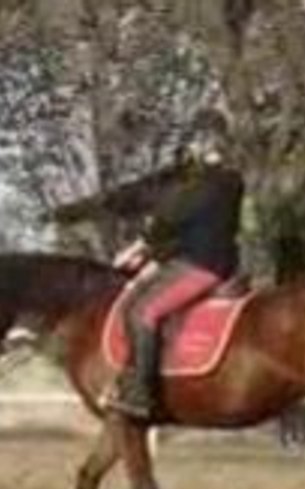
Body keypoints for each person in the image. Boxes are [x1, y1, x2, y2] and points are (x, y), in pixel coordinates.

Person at [105, 110, 245, 420]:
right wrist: (150, 256)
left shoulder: (214, 182)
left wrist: (137, 248)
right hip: (190, 258)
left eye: (196, 141)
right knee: (132, 299)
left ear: (207, 142)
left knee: (144, 312)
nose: (190, 148)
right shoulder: (218, 180)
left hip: (204, 265)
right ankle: (131, 375)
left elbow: (171, 219)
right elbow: (182, 227)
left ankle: (141, 394)